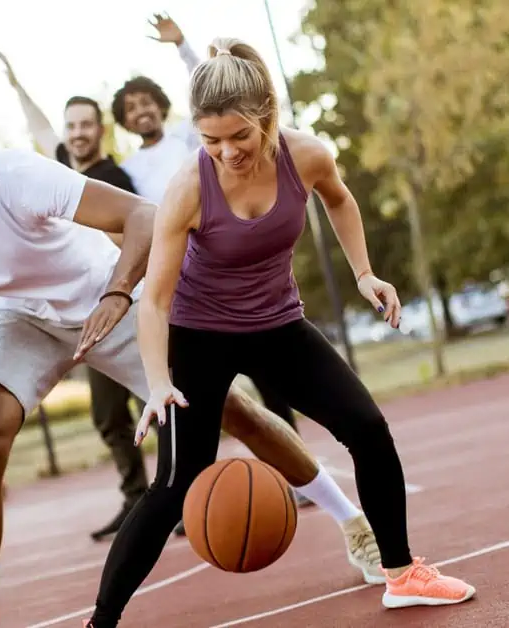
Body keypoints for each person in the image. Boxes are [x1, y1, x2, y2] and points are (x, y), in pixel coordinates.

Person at [0, 119, 384, 628]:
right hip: (23, 319)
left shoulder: (14, 178)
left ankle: (353, 522)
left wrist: (119, 293)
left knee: (231, 409)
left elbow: (142, 215)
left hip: (106, 294)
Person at [82, 39, 477, 627]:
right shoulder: (189, 188)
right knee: (171, 486)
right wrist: (159, 380)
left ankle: (402, 575)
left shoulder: (307, 156)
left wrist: (365, 273)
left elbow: (340, 202)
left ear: (266, 117)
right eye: (211, 140)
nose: (226, 151)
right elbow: (156, 299)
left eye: (239, 136)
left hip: (276, 325)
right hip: (197, 335)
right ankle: (101, 622)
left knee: (367, 429)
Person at [114, 14, 314, 513]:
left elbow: (217, 94)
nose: (140, 112)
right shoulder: (132, 168)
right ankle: (182, 496)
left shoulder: (194, 136)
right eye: (130, 107)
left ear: (162, 107)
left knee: (272, 388)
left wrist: (184, 46)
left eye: (146, 103)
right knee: (191, 406)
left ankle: (301, 476)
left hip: (232, 259)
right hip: (185, 276)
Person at [0, 50, 148, 541]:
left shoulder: (116, 180)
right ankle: (137, 500)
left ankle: (180, 496)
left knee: (159, 405)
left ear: (100, 130)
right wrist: (18, 87)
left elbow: (137, 238)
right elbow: (41, 131)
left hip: (130, 309)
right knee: (107, 415)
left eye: (86, 124)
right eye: (71, 125)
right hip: (84, 315)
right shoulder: (61, 168)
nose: (77, 132)